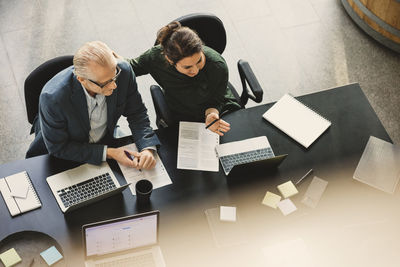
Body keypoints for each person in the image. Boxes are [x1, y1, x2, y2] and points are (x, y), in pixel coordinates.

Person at [26, 41, 160, 170]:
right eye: (105, 83)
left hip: (105, 138)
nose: (114, 85)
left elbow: (137, 113)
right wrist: (109, 153)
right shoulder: (53, 98)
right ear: (82, 80)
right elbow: (59, 148)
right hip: (64, 155)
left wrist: (147, 148)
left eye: (114, 76)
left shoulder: (123, 71)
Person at [126, 21, 241, 136]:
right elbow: (128, 67)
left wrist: (211, 113)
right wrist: (109, 58)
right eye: (187, 67)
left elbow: (216, 98)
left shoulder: (217, 64)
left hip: (219, 108)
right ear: (170, 61)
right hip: (182, 113)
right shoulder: (154, 58)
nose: (195, 70)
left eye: (199, 61)